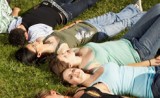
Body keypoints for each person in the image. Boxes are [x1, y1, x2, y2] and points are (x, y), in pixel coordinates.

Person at [15, 3, 144, 65]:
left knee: (112, 16)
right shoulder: (60, 53)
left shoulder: (45, 38)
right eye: (33, 46)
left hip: (86, 24)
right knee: (124, 24)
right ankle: (146, 16)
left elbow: (61, 31)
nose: (33, 42)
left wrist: (74, 24)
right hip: (97, 33)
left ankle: (135, 9)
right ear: (38, 54)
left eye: (31, 43)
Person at [50, 3, 160, 74]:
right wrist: (150, 63)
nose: (66, 52)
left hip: (128, 39)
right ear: (70, 65)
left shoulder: (77, 52)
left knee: (157, 8)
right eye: (65, 56)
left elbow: (60, 45)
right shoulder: (91, 67)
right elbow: (121, 71)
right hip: (140, 52)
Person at [8, 0, 100, 47]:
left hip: (58, 8)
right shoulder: (17, 26)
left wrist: (16, 10)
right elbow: (56, 33)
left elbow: (56, 33)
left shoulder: (32, 33)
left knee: (85, 2)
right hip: (57, 7)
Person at [60, 62, 160, 98]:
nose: (75, 73)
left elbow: (125, 67)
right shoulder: (95, 89)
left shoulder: (95, 68)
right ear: (73, 85)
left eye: (72, 70)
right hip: (151, 86)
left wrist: (150, 62)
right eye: (71, 77)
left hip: (153, 70)